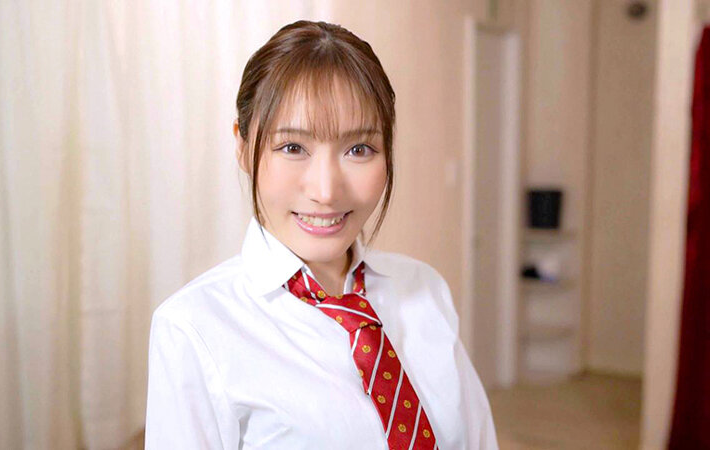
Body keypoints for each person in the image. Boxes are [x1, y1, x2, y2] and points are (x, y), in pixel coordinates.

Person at [145, 20, 498, 449]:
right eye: (293, 148)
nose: (327, 191)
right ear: (242, 146)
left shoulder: (424, 288)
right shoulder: (193, 327)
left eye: (359, 149)